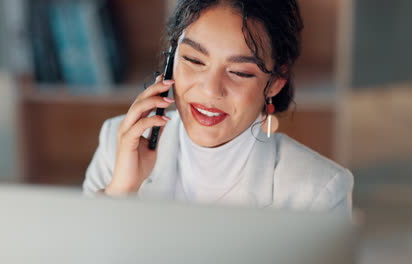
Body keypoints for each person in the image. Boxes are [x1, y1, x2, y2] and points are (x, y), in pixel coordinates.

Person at [83, 0, 354, 217]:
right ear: (170, 61)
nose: (211, 90)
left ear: (274, 83)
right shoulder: (116, 143)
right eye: (193, 60)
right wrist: (121, 193)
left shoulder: (320, 190)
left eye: (239, 72)